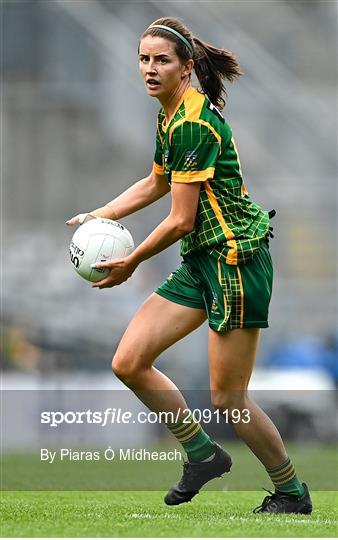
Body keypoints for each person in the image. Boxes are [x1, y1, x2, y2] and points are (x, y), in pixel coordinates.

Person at [67, 17, 312, 514]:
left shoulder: (194, 122)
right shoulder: (170, 114)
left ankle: (291, 492)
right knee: (129, 362)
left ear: (186, 67)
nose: (150, 69)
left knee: (228, 398)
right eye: (144, 59)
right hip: (203, 260)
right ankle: (202, 454)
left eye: (162, 60)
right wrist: (100, 214)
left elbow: (180, 220)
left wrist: (132, 261)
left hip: (235, 260)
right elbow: (157, 181)